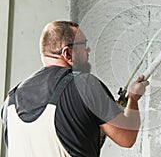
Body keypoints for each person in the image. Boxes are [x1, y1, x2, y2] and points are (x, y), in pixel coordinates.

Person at [1, 20, 149, 157]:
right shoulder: (84, 85)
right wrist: (133, 99)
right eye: (83, 45)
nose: (88, 50)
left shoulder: (10, 100)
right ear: (67, 53)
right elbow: (127, 137)